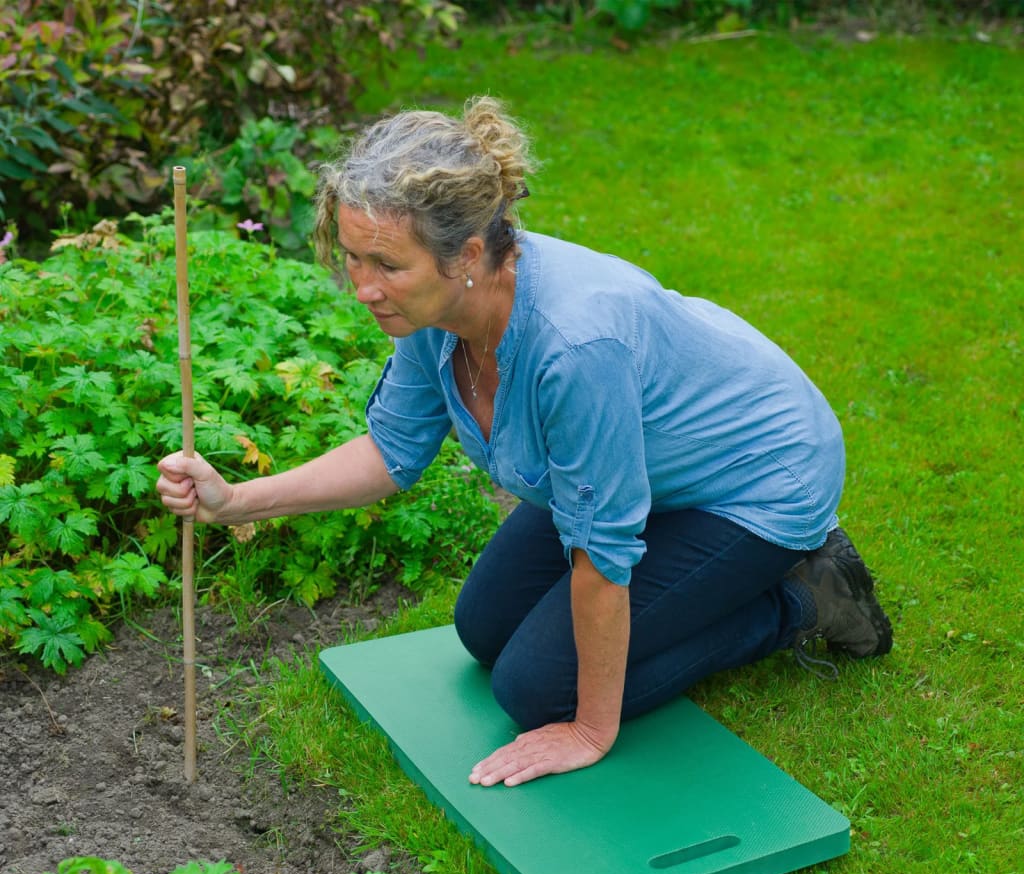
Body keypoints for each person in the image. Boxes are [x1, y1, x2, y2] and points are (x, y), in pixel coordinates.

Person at [157, 96, 892, 789]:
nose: (364, 287)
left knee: (536, 687)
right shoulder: (435, 311)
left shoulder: (572, 346)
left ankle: (805, 597)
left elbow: (602, 554)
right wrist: (237, 500)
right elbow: (392, 454)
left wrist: (587, 731)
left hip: (754, 479)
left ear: (467, 254)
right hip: (649, 468)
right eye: (354, 257)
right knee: (483, 628)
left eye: (386, 266)